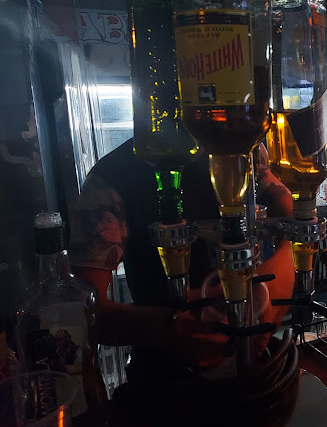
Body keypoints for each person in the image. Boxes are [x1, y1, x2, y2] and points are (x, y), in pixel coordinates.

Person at [68, 139, 295, 370]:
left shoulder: (244, 146)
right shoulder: (111, 178)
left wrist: (270, 287)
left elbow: (293, 217)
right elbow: (82, 314)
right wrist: (166, 328)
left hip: (253, 357)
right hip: (166, 371)